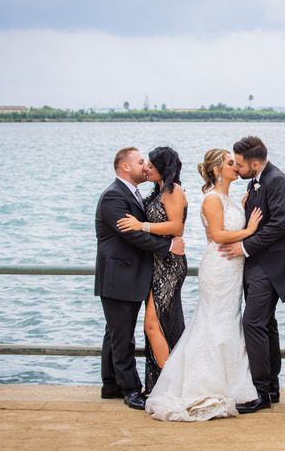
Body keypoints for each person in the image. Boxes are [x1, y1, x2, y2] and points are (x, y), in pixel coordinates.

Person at [145, 149, 262, 421]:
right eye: (231, 163)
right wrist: (249, 232)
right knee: (214, 322)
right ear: (218, 169)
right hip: (219, 267)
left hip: (233, 268)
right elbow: (218, 235)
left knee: (229, 321)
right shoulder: (211, 198)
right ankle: (203, 384)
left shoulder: (230, 199)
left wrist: (243, 208)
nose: (237, 167)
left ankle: (230, 383)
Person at [95, 147, 184, 410]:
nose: (144, 165)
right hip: (118, 275)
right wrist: (167, 247)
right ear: (125, 167)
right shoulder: (113, 197)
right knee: (122, 336)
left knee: (115, 333)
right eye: (139, 161)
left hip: (132, 274)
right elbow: (131, 234)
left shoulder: (137, 193)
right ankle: (130, 389)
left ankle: (110, 383)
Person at [220, 136, 285, 413]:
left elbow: (280, 224)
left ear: (255, 163)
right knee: (266, 325)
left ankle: (261, 392)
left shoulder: (277, 181)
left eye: (240, 164)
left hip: (270, 266)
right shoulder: (257, 182)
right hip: (259, 265)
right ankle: (272, 388)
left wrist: (244, 247)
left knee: (253, 324)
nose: (237, 168)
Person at [116, 146, 188, 394]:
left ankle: (170, 382)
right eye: (145, 163)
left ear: (163, 168)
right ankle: (163, 380)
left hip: (170, 265)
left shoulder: (173, 190)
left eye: (151, 165)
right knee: (165, 324)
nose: (146, 168)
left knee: (152, 324)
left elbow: (176, 227)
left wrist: (141, 225)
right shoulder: (156, 191)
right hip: (155, 263)